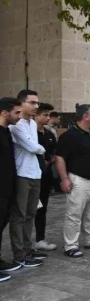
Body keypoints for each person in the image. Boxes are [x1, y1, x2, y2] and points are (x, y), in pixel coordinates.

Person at [55, 104, 90, 258]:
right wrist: (64, 179)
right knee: (74, 214)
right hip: (79, 180)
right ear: (86, 116)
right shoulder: (69, 135)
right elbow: (60, 158)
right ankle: (70, 245)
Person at [9, 89, 47, 267]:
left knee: (31, 213)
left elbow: (36, 146)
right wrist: (41, 148)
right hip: (21, 174)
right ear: (21, 103)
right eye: (32, 102)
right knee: (19, 215)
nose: (35, 106)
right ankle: (19, 253)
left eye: (37, 103)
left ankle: (28, 247)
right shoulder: (15, 126)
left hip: (35, 173)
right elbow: (33, 147)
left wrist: (39, 147)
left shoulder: (32, 123)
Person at [0, 98, 23, 279]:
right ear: (4, 113)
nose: (19, 116)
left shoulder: (6, 132)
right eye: (16, 112)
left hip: (7, 188)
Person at [34, 103, 58, 252]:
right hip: (30, 176)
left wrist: (49, 161)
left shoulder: (49, 134)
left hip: (46, 176)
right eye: (45, 115)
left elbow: (55, 152)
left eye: (49, 115)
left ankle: (39, 239)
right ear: (36, 115)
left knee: (42, 208)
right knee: (28, 210)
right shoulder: (29, 133)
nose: (48, 118)